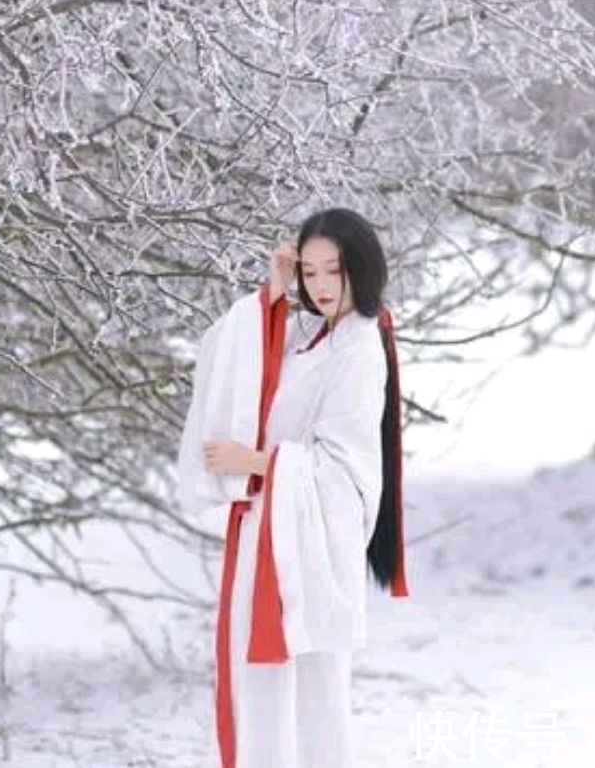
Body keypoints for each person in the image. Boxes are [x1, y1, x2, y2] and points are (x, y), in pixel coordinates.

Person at [179, 207, 409, 768]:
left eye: (335, 270)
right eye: (311, 272)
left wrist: (253, 461)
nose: (322, 286)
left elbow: (344, 471)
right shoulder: (325, 338)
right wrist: (276, 289)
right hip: (280, 532)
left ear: (362, 268)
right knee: (280, 693)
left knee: (314, 699)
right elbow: (235, 360)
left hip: (309, 542)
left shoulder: (357, 348)